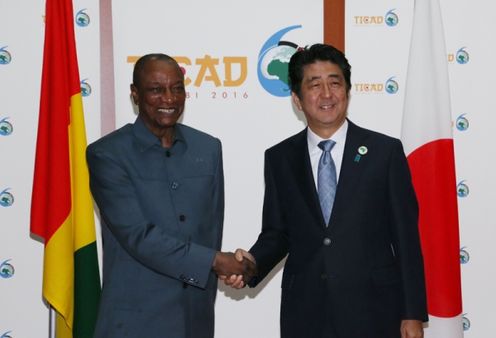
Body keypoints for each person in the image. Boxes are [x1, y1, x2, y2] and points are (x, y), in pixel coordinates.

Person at [225, 44, 427, 338]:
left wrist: (412, 314)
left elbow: (406, 239)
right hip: (306, 311)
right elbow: (277, 233)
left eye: (335, 83)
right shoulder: (280, 158)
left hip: (375, 310)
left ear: (347, 90)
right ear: (297, 98)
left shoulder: (385, 152)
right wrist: (252, 263)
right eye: (314, 85)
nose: (327, 94)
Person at [87, 53, 254, 338]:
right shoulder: (107, 154)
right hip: (134, 324)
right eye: (156, 89)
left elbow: (211, 229)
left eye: (177, 88)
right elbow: (138, 236)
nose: (169, 98)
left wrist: (235, 266)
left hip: (195, 320)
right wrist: (215, 261)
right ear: (135, 94)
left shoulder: (208, 148)